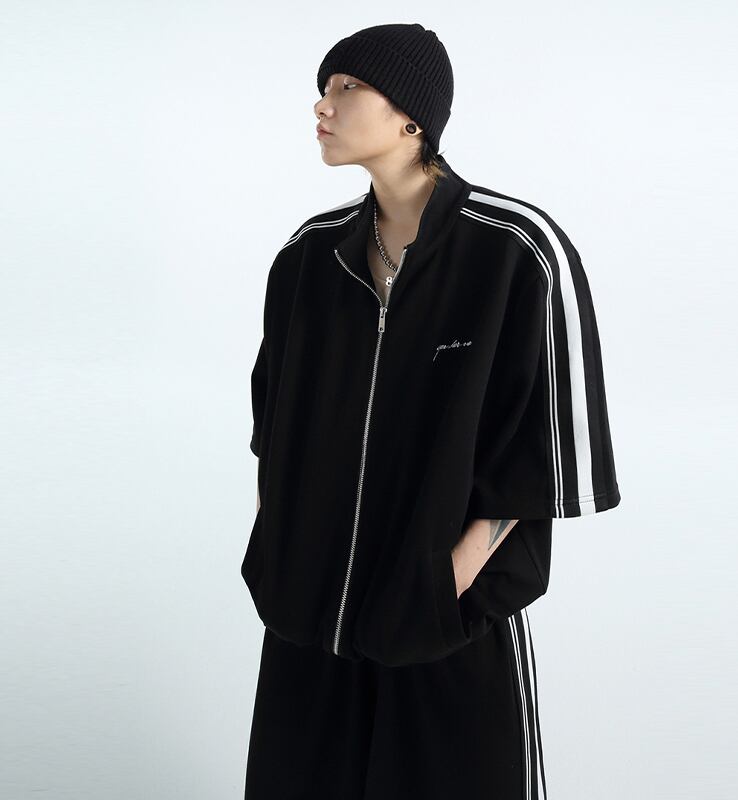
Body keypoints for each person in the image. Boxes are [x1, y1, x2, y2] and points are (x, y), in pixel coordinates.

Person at [242, 23, 621, 800]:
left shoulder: (516, 251)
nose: (323, 105)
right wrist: (283, 563)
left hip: (447, 632)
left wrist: (437, 588)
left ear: (413, 116)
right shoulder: (307, 259)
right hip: (307, 629)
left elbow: (543, 449)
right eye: (324, 87)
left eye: (348, 87)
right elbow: (271, 433)